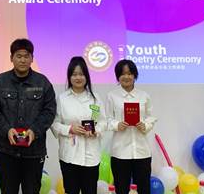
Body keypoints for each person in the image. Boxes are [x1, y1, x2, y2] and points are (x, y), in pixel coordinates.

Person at [0, 38, 56, 194]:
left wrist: (35, 130)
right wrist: (6, 130)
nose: (23, 60)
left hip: (34, 151)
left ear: (32, 58)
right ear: (11, 58)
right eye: (18, 56)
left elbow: (49, 111)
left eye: (26, 56)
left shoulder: (43, 83)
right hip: (6, 150)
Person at [51, 56, 106, 194]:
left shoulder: (95, 98)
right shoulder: (62, 99)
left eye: (81, 74)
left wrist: (96, 130)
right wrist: (70, 129)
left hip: (91, 156)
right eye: (74, 74)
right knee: (71, 190)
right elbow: (54, 123)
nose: (78, 78)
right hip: (69, 155)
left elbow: (103, 122)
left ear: (86, 76)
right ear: (69, 77)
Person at [106, 60, 157, 194]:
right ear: (118, 76)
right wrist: (117, 125)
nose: (126, 77)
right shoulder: (111, 96)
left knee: (144, 189)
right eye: (122, 74)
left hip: (142, 151)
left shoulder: (144, 96)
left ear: (135, 75)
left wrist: (144, 125)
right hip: (120, 152)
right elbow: (106, 120)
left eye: (129, 73)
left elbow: (151, 117)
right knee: (121, 189)